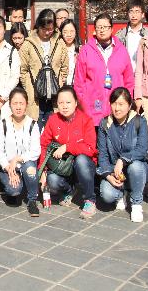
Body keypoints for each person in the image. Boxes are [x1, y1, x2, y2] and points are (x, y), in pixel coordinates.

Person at [40, 86, 98, 219]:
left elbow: (91, 148)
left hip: (83, 166)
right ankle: (69, 190)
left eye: (68, 102)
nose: (64, 106)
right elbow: (43, 145)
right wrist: (42, 171)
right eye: (61, 102)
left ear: (76, 103)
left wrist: (67, 147)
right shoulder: (53, 119)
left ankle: (90, 200)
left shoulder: (86, 120)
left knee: (81, 160)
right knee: (52, 181)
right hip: (62, 166)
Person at [96, 87, 148, 222]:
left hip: (135, 169)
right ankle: (122, 194)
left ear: (129, 105)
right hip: (114, 171)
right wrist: (108, 175)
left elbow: (142, 149)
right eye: (114, 103)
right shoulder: (104, 124)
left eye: (121, 104)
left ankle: (136, 203)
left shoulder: (139, 121)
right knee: (107, 195)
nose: (117, 108)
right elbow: (102, 154)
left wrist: (122, 160)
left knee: (136, 166)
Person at [73, 13, 134, 127]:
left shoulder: (121, 50)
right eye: (99, 27)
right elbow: (79, 82)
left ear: (111, 29)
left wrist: (126, 102)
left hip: (117, 107)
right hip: (92, 107)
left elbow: (129, 80)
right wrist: (84, 104)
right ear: (95, 30)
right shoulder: (86, 50)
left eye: (105, 27)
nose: (102, 30)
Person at [0, 87, 41, 216]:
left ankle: (32, 200)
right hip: (8, 166)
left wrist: (18, 159)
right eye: (15, 103)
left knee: (30, 168)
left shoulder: (32, 124)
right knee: (14, 190)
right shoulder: (3, 124)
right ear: (10, 105)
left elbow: (35, 151)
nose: (18, 107)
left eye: (21, 103)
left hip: (25, 164)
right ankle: (7, 185)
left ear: (26, 105)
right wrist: (9, 167)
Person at [19, 8, 68, 128]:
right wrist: (29, 87)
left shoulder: (60, 42)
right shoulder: (28, 44)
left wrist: (60, 82)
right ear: (38, 26)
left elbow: (64, 67)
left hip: (55, 95)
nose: (47, 32)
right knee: (36, 129)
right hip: (35, 97)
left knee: (54, 130)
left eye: (50, 29)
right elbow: (22, 70)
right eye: (44, 29)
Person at [116, 0, 148, 73]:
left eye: (137, 11)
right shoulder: (120, 34)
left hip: (144, 75)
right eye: (131, 11)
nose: (134, 15)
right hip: (126, 74)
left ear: (143, 14)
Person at [59, 19, 82, 87]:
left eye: (71, 31)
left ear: (76, 32)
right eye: (65, 32)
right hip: (61, 87)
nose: (69, 35)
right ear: (61, 33)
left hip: (76, 86)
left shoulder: (81, 50)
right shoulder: (57, 49)